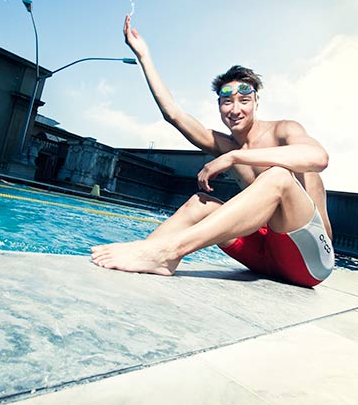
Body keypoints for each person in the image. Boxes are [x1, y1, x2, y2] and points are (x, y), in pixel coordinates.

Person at [91, 15, 334, 287]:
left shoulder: (284, 131)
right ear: (219, 106)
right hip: (265, 255)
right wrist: (144, 56)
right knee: (199, 203)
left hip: (310, 259)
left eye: (244, 100)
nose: (235, 109)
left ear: (256, 102)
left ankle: (170, 251)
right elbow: (174, 114)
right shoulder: (224, 143)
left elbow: (319, 158)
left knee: (278, 176)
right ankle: (146, 254)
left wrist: (234, 157)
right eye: (227, 102)